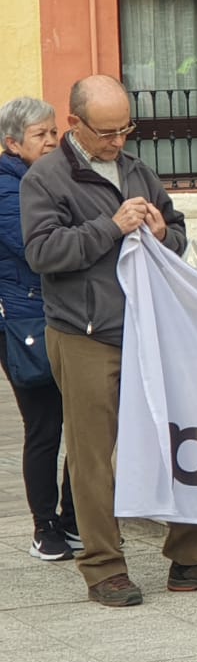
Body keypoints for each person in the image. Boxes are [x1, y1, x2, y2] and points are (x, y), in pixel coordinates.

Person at [21, 75, 197, 606]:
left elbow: (177, 227)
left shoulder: (136, 169)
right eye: (106, 132)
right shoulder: (47, 178)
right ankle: (104, 567)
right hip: (85, 334)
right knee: (93, 457)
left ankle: (192, 555)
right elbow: (44, 253)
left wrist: (164, 230)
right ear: (74, 123)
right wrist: (111, 226)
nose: (118, 141)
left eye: (126, 128)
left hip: (150, 329)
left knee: (179, 439)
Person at [0, 97, 76, 562]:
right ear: (12, 143)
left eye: (54, 132)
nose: (52, 141)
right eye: (41, 135)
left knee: (85, 426)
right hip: (24, 322)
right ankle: (45, 526)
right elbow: (36, 246)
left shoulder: (51, 178)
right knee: (45, 428)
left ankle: (74, 520)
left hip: (66, 315)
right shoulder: (9, 190)